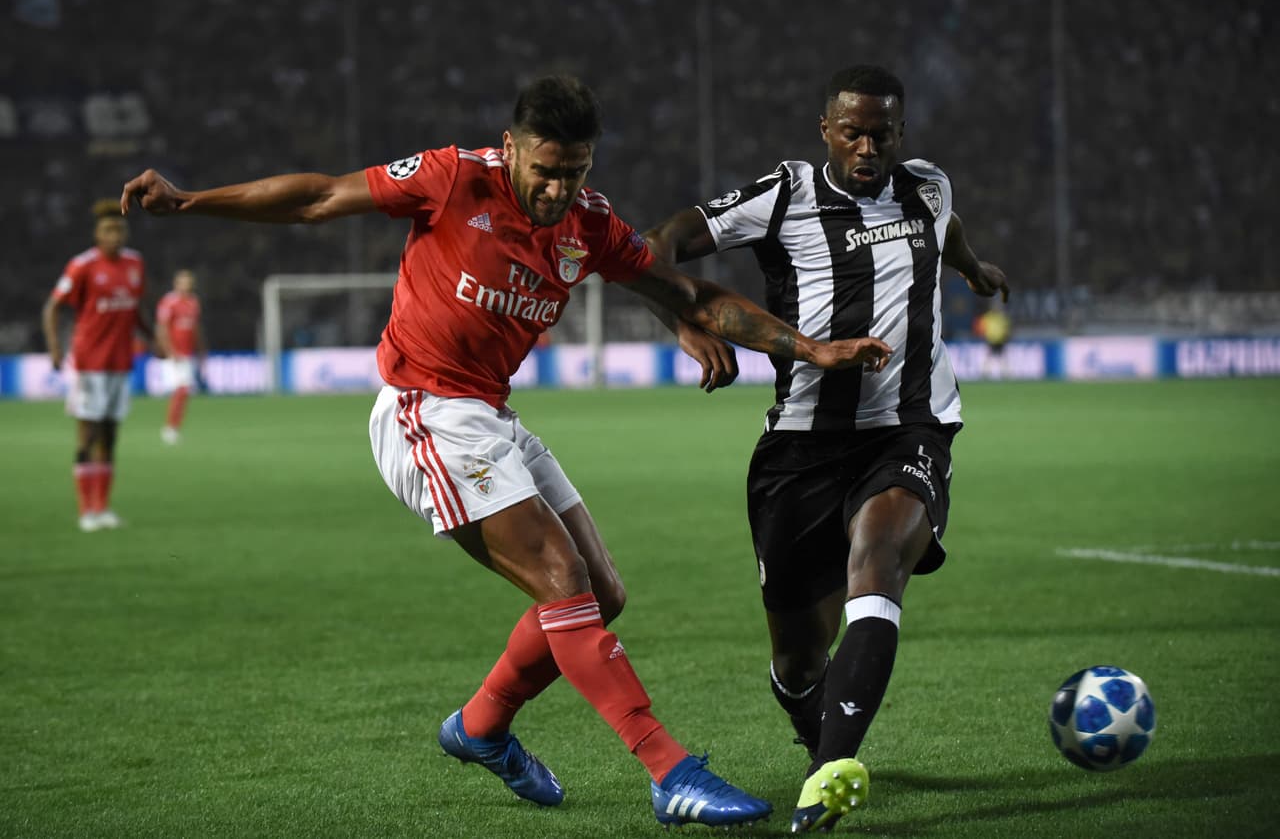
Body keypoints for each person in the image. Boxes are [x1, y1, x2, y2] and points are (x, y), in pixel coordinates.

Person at [120, 75, 894, 828]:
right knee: (563, 582)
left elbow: (685, 293)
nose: (558, 190)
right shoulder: (453, 178)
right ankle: (670, 772)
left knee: (601, 593)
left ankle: (482, 725)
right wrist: (189, 202)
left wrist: (807, 349)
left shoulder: (589, 224)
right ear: (511, 149)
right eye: (546, 172)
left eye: (576, 173)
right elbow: (321, 196)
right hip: (423, 408)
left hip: (488, 413)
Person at [643, 65, 1009, 832]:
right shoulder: (786, 195)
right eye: (854, 132)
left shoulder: (927, 187)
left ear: (902, 136)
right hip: (800, 453)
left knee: (880, 561)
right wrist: (683, 318)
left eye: (883, 133)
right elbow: (663, 241)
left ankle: (832, 768)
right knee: (799, 660)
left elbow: (949, 227)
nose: (868, 146)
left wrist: (972, 268)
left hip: (910, 428)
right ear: (826, 131)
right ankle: (817, 730)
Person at [42, 199, 154, 532]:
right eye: (108, 229)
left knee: (110, 436)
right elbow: (52, 307)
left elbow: (135, 310)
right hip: (89, 363)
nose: (115, 235)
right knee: (87, 435)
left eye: (120, 229)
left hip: (121, 363)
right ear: (96, 234)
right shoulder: (82, 266)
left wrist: (153, 338)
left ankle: (103, 508)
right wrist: (55, 347)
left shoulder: (136, 264)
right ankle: (86, 510)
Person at [155, 269, 206, 443]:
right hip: (174, 354)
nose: (186, 286)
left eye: (189, 283)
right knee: (181, 389)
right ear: (176, 284)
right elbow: (162, 328)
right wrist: (170, 351)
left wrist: (201, 350)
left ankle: (174, 427)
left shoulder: (193, 302)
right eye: (183, 282)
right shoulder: (169, 302)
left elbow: (195, 329)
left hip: (187, 353)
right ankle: (170, 429)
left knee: (184, 392)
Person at [973, 301, 1012, 379]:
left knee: (1002, 357)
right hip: (990, 340)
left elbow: (1007, 328)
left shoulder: (1001, 317)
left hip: (1000, 340)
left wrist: (1006, 336)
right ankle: (985, 373)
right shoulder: (988, 317)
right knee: (989, 357)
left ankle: (1005, 373)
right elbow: (981, 328)